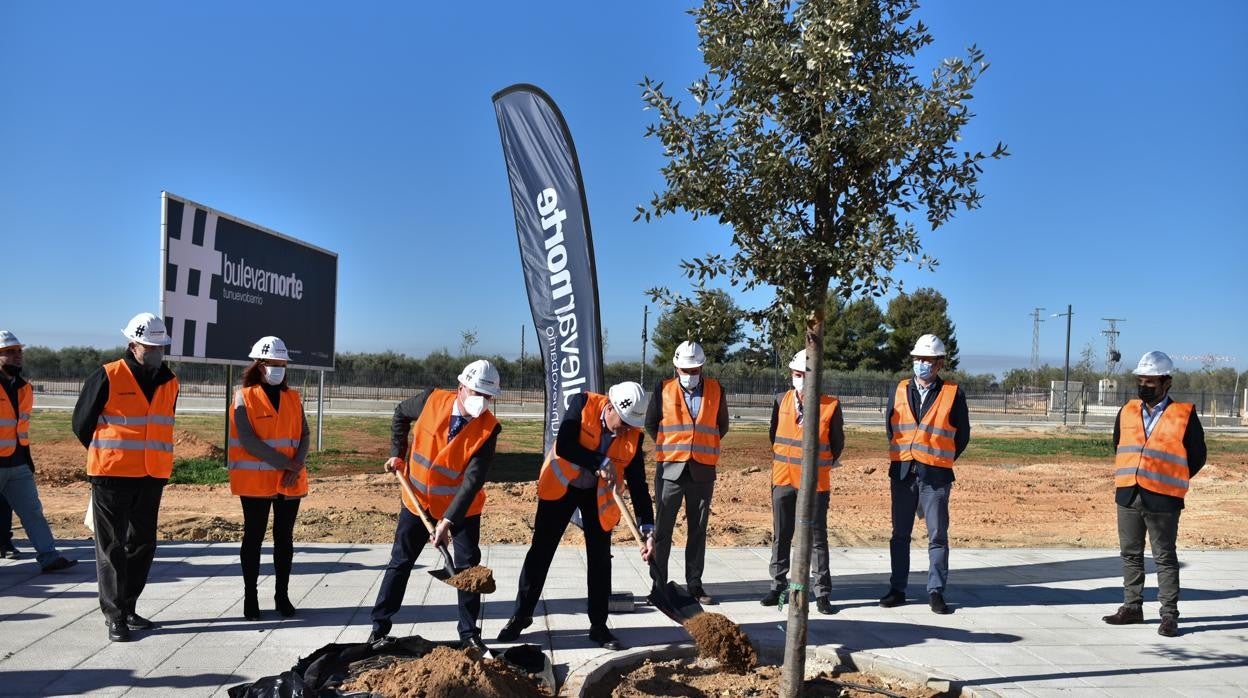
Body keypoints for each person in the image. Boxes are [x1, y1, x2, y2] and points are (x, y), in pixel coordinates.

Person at [498, 382, 655, 651]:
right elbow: (566, 445)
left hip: (598, 496)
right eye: (623, 423)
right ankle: (520, 616)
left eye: (631, 425)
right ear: (610, 407)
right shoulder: (582, 404)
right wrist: (599, 463)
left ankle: (599, 626)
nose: (626, 429)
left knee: (600, 558)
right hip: (562, 487)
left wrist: (648, 529)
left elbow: (638, 484)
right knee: (541, 552)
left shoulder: (633, 435)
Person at [368, 359, 503, 651]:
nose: (482, 401)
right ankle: (379, 629)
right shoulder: (431, 400)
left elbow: (473, 480)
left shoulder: (489, 429)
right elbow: (400, 414)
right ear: (461, 388)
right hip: (416, 500)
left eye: (488, 397)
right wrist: (397, 453)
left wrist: (447, 522)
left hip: (462, 509)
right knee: (400, 562)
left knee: (467, 569)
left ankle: (469, 635)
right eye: (476, 393)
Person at [72, 313, 179, 642]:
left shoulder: (169, 381)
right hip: (111, 475)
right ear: (133, 344)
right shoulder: (107, 375)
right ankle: (115, 616)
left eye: (161, 346)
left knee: (143, 544)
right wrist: (110, 453)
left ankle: (129, 605)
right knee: (112, 546)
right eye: (150, 346)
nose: (157, 351)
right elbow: (81, 424)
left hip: (151, 475)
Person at [1102, 351, 1206, 638]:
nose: (1144, 386)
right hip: (1128, 493)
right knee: (1130, 554)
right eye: (1141, 380)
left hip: (1163, 498)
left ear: (1166, 383)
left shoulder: (1183, 414)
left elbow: (1196, 456)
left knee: (1164, 556)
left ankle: (1169, 615)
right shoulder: (1127, 411)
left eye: (1150, 381)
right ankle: (1132, 607)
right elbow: (1118, 444)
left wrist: (1171, 479)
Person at [879, 334, 969, 615]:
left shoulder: (953, 393)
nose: (921, 364)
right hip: (903, 472)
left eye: (928, 360)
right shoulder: (900, 389)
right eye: (918, 359)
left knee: (938, 536)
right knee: (899, 535)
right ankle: (898, 589)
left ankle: (936, 591)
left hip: (936, 475)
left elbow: (962, 435)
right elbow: (890, 427)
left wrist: (940, 459)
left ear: (939, 363)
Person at [228, 336, 310, 621]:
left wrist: (296, 465)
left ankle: (281, 595)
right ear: (259, 365)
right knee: (253, 538)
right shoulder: (243, 397)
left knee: (284, 540)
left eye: (282, 363)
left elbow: (304, 434)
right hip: (257, 484)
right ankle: (251, 597)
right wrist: (288, 465)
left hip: (289, 481)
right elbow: (249, 441)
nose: (278, 368)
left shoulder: (293, 397)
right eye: (272, 364)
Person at [643, 341, 729, 605]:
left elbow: (721, 426)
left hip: (702, 470)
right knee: (663, 531)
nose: (689, 375)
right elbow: (650, 423)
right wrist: (673, 445)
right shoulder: (664, 389)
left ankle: (694, 585)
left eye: (694, 370)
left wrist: (699, 446)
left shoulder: (716, 390)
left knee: (698, 530)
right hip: (670, 468)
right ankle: (659, 586)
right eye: (684, 369)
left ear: (702, 367)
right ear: (676, 367)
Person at [762, 349, 843, 615]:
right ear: (791, 374)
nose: (801, 379)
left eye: (806, 375)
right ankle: (777, 586)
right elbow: (774, 435)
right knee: (781, 535)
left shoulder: (831, 406)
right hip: (783, 479)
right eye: (797, 374)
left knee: (817, 538)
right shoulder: (780, 400)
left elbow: (837, 444)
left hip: (815, 485)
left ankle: (822, 593)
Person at [0, 330, 77, 572]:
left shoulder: (24, 388)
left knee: (33, 512)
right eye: (9, 352)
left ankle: (49, 557)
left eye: (18, 351)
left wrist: (27, 458)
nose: (16, 356)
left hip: (18, 463)